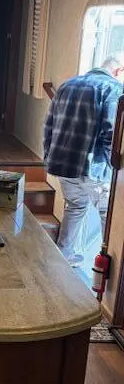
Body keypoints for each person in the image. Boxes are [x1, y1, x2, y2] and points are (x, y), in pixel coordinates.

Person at [43, 52, 124, 265]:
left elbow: (48, 125)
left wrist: (48, 157)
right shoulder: (114, 89)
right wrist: (115, 168)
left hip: (62, 164)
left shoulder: (67, 85)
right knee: (107, 215)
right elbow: (111, 132)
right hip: (94, 168)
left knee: (75, 207)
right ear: (119, 71)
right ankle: (106, 274)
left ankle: (63, 258)